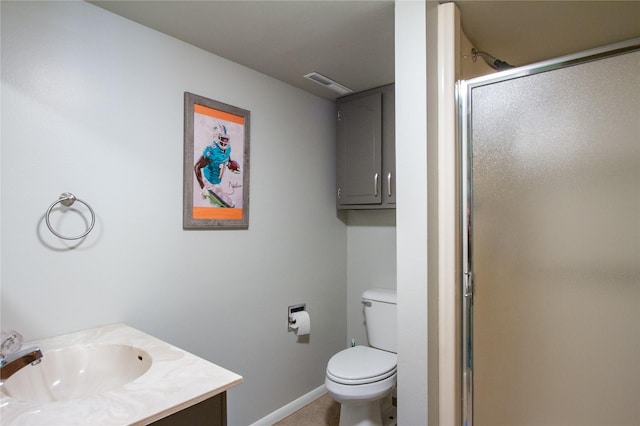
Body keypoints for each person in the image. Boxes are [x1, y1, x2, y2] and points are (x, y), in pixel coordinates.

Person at [194, 123, 240, 207]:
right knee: (230, 206)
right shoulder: (211, 151)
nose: (225, 141)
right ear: (216, 137)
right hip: (209, 183)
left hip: (217, 183)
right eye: (223, 139)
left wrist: (230, 163)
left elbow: (226, 156)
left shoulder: (228, 149)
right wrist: (203, 187)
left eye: (226, 139)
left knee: (224, 205)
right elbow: (197, 167)